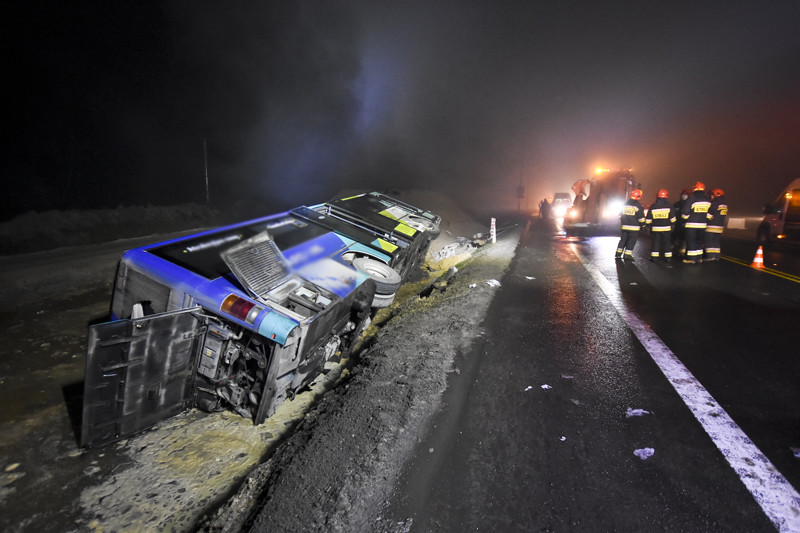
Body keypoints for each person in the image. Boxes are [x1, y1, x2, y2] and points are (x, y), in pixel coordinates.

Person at [681, 182, 711, 264]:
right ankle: (699, 258)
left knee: (691, 241)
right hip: (703, 225)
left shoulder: (692, 198)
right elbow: (710, 213)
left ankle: (691, 258)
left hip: (692, 224)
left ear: (694, 188)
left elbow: (685, 211)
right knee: (699, 241)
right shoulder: (707, 199)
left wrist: (685, 218)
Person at [645, 188, 676, 262]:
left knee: (655, 242)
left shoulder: (653, 206)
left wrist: (648, 226)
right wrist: (673, 225)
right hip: (666, 228)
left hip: (656, 228)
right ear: (666, 196)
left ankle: (654, 258)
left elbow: (648, 219)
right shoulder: (669, 205)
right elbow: (673, 218)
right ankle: (668, 258)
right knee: (667, 243)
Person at [615, 188, 645, 261]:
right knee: (631, 241)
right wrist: (643, 225)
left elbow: (619, 215)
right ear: (638, 196)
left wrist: (624, 221)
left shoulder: (624, 204)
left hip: (624, 227)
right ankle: (627, 255)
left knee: (623, 240)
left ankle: (618, 254)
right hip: (633, 228)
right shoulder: (638, 206)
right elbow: (641, 218)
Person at [704, 188, 728, 262]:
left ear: (716, 195)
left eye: (712, 195)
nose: (711, 197)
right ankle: (717, 256)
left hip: (712, 226)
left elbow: (709, 215)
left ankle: (711, 256)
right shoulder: (724, 204)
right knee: (716, 241)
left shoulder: (714, 203)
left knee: (709, 241)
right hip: (720, 226)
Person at [671, 187, 690, 258]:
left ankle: (682, 252)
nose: (684, 196)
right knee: (673, 238)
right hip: (676, 225)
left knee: (683, 239)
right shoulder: (676, 204)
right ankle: (670, 250)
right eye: (683, 195)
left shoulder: (690, 205)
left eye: (685, 195)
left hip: (685, 226)